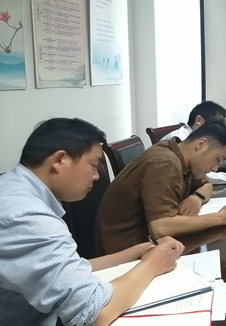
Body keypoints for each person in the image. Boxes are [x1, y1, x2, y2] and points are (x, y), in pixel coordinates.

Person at [0, 118, 184, 326]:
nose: (96, 176)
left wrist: (140, 251)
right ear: (60, 160)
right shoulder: (26, 216)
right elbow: (94, 313)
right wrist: (152, 265)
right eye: (93, 165)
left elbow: (69, 269)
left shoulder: (14, 190)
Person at [96, 119, 226, 254]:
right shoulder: (165, 163)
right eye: (217, 159)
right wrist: (221, 217)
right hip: (124, 252)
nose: (215, 168)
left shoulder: (180, 153)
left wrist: (197, 197)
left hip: (147, 243)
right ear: (201, 145)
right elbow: (161, 228)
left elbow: (207, 185)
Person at [161, 100, 226, 184]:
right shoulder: (181, 140)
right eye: (216, 124)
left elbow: (219, 157)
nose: (219, 129)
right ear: (199, 120)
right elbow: (205, 177)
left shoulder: (200, 139)